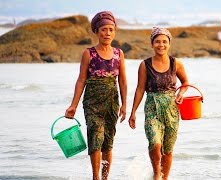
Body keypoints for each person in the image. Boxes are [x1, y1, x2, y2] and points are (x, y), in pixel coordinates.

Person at [64, 11, 127, 180]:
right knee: (95, 137)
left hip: (112, 102)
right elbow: (81, 80)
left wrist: (125, 105)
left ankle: (105, 178)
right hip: (92, 102)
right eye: (104, 29)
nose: (107, 33)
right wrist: (73, 105)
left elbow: (123, 81)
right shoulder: (88, 53)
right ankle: (95, 177)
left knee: (108, 141)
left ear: (114, 32)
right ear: (97, 31)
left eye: (111, 30)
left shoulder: (118, 54)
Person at [127, 27, 189, 180]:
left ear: (169, 43)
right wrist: (133, 112)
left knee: (168, 149)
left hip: (171, 110)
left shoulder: (176, 63)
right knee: (155, 143)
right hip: (152, 108)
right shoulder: (145, 65)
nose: (161, 45)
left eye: (164, 41)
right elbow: (140, 89)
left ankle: (165, 177)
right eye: (157, 42)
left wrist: (180, 93)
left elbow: (186, 82)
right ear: (152, 44)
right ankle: (156, 174)